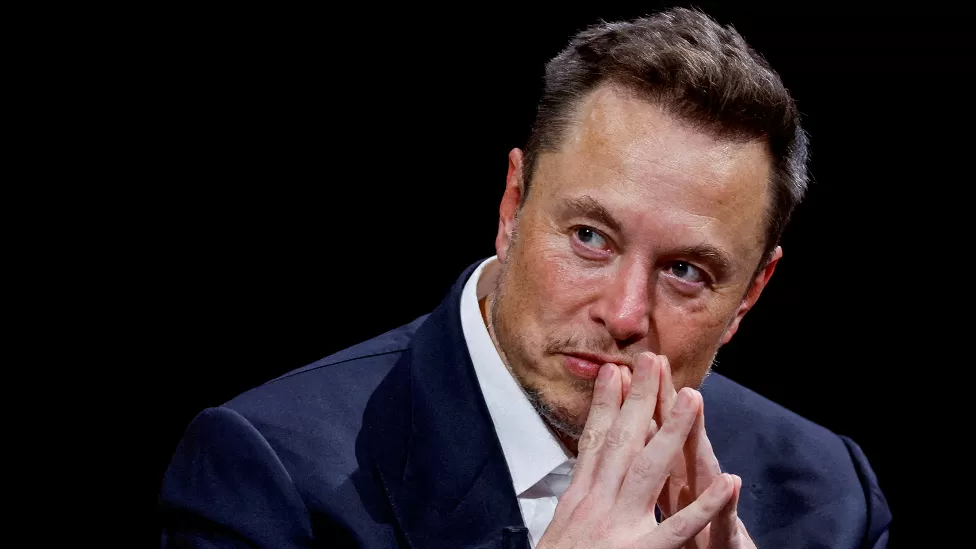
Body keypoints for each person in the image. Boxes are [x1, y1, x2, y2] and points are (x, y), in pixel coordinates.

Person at [159, 8, 890, 548]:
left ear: (750, 295)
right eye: (590, 237)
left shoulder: (829, 495)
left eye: (685, 271)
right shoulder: (269, 474)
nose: (624, 314)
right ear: (512, 206)